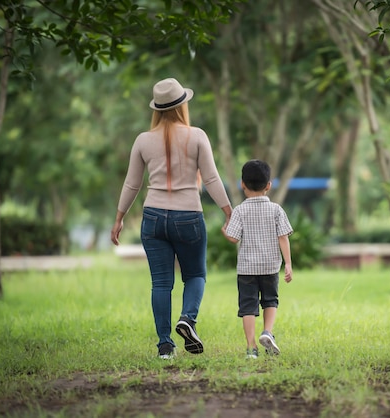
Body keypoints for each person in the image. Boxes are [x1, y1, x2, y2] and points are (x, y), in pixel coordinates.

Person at [111, 78, 232, 359]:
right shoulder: (197, 136)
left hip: (153, 218)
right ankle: (187, 320)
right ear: (182, 105)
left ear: (157, 108)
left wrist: (119, 218)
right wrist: (229, 212)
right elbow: (212, 178)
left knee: (161, 283)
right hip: (188, 216)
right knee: (196, 274)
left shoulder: (143, 140)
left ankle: (165, 345)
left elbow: (132, 184)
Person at [224, 159, 293, 359]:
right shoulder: (276, 210)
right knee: (270, 300)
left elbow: (233, 237)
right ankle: (267, 332)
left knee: (248, 306)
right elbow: (283, 237)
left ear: (242, 184)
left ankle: (251, 347)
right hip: (270, 266)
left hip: (247, 269)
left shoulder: (239, 210)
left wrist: (225, 231)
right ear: (268, 185)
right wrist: (288, 263)